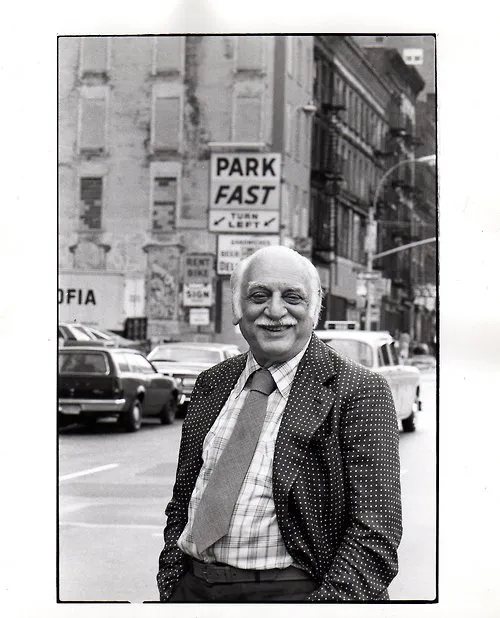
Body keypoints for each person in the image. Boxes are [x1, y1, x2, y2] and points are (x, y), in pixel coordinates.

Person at [157, 245, 402, 602]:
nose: (274, 311)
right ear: (237, 309)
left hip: (293, 594)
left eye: (292, 297)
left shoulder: (359, 390)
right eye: (259, 296)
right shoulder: (213, 383)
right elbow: (182, 500)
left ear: (314, 310)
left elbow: (376, 533)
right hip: (193, 590)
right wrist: (172, 585)